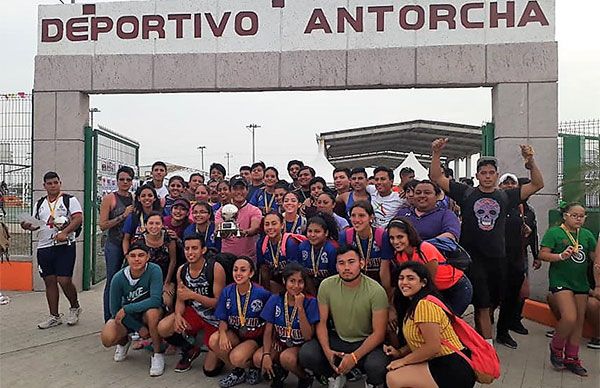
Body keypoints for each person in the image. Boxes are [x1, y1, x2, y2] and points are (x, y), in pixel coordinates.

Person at [429, 138, 544, 342]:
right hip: (473, 258)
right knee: (482, 303)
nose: (488, 176)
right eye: (483, 173)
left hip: (498, 258)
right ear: (477, 175)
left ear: (497, 175)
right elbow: (436, 177)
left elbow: (537, 184)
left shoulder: (506, 196)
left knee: (492, 302)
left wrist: (531, 161)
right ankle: (486, 348)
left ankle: (481, 337)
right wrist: (436, 153)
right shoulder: (466, 193)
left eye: (491, 172)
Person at [299, 245, 389, 388]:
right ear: (336, 265)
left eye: (351, 262)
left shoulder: (376, 290)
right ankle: (334, 374)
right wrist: (328, 353)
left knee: (377, 366)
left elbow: (378, 334)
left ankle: (371, 382)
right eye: (341, 263)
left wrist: (354, 357)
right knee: (307, 353)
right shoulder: (327, 285)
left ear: (362, 263)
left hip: (365, 342)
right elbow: (321, 323)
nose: (346, 267)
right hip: (339, 339)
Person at [385, 261, 476, 388]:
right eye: (401, 278)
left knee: (394, 377)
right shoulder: (415, 303)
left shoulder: (424, 305)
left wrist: (402, 361)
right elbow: (420, 340)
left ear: (423, 282)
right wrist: (399, 352)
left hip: (451, 367)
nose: (404, 282)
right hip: (438, 362)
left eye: (411, 278)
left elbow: (432, 347)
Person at [539, 203, 597, 376]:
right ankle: (556, 347)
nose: (579, 219)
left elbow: (595, 257)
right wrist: (560, 256)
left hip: (581, 283)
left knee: (578, 321)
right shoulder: (555, 233)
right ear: (565, 216)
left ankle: (572, 358)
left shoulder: (586, 235)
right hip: (561, 281)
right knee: (569, 317)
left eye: (582, 215)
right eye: (575, 215)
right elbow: (542, 254)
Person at [20, 171, 83, 329]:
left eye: (55, 182)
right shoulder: (40, 203)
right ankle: (54, 316)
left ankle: (74, 307)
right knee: (49, 281)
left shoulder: (69, 200)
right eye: (49, 183)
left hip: (65, 245)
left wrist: (65, 232)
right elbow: (35, 224)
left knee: (64, 280)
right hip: (44, 246)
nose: (53, 186)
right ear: (44, 186)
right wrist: (27, 225)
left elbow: (78, 218)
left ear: (60, 183)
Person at [157, 234, 226, 375]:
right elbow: (181, 299)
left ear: (203, 250)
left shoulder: (215, 268)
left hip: (215, 318)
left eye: (194, 248)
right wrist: (177, 315)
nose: (190, 252)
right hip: (195, 312)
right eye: (187, 249)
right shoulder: (182, 270)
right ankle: (189, 348)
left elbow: (218, 303)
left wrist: (194, 295)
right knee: (163, 327)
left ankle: (218, 354)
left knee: (210, 370)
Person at [101, 242, 165, 376]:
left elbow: (156, 300)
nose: (137, 259)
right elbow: (114, 310)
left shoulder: (154, 270)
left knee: (152, 313)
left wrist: (127, 308)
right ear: (127, 258)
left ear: (147, 257)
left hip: (147, 313)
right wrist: (137, 327)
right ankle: (124, 342)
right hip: (129, 317)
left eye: (141, 255)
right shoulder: (118, 278)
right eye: (133, 256)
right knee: (108, 337)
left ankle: (157, 354)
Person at [387, 218, 472, 316]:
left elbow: (429, 281)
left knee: (447, 324)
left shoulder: (425, 249)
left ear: (409, 236)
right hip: (437, 291)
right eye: (392, 238)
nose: (395, 241)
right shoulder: (399, 256)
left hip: (456, 288)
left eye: (400, 237)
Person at [253, 263, 320, 388]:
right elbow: (268, 330)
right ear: (284, 281)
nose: (296, 286)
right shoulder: (275, 299)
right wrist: (267, 354)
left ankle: (305, 377)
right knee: (259, 358)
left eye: (300, 282)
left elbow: (308, 336)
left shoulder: (310, 302)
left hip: (301, 345)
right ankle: (279, 373)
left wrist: (300, 308)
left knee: (287, 358)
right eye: (292, 281)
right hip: (281, 342)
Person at [210, 257, 272, 387]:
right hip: (236, 333)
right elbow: (223, 318)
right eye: (235, 269)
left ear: (251, 273)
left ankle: (252, 368)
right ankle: (238, 371)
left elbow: (271, 321)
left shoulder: (262, 294)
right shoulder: (227, 291)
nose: (238, 273)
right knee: (214, 340)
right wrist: (222, 333)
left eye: (243, 270)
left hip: (254, 338)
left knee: (237, 357)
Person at [495, 174, 539, 348]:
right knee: (490, 298)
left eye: (511, 182)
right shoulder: (491, 204)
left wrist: (536, 255)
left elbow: (533, 233)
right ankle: (483, 333)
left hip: (516, 259)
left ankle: (504, 330)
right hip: (494, 259)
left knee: (513, 297)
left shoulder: (524, 209)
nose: (508, 185)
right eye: (504, 183)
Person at [99, 166, 135, 322]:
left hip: (131, 245)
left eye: (128, 179)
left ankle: (127, 318)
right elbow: (103, 225)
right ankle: (109, 318)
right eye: (122, 179)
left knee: (130, 282)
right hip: (114, 243)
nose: (125, 182)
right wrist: (123, 215)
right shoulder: (110, 199)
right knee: (112, 281)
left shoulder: (134, 198)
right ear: (117, 180)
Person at [341, 201, 393, 296]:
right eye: (353, 215)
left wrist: (387, 295)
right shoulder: (345, 236)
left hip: (378, 285)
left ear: (371, 217)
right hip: (356, 285)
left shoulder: (382, 236)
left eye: (361, 215)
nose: (356, 220)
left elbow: (384, 270)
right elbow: (345, 266)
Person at [215, 176, 263, 261]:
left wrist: (244, 232)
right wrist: (221, 232)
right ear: (230, 191)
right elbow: (217, 228)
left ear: (247, 190)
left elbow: (254, 228)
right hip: (226, 258)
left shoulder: (254, 210)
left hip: (247, 259)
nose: (238, 192)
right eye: (235, 189)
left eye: (242, 188)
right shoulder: (222, 211)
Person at [396, 180, 461, 241]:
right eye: (418, 193)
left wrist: (422, 246)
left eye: (427, 193)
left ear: (437, 196)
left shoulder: (446, 215)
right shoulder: (402, 213)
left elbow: (451, 236)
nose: (422, 196)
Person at [257, 212, 301, 293]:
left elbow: (294, 272)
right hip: (273, 280)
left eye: (274, 224)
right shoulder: (261, 242)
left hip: (290, 282)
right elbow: (262, 268)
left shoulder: (290, 243)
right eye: (267, 224)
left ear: (282, 225)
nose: (270, 227)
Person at [142, 212, 177, 311]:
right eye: (151, 223)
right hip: (147, 278)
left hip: (166, 276)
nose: (154, 226)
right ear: (146, 225)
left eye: (157, 223)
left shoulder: (168, 238)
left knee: (167, 301)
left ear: (162, 225)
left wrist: (167, 283)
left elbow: (173, 261)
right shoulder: (140, 240)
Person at [297, 214, 339, 295]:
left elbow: (335, 278)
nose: (312, 235)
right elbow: (300, 273)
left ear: (326, 233)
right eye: (309, 231)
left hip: (329, 289)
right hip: (308, 288)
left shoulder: (332, 249)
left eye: (317, 231)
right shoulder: (302, 247)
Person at [122, 184, 162, 254]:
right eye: (143, 196)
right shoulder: (133, 216)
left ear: (155, 198)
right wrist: (127, 255)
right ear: (138, 198)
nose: (147, 198)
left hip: (159, 255)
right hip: (138, 256)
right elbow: (126, 239)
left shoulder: (162, 214)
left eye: (150, 195)